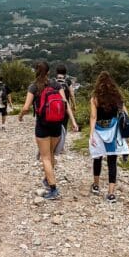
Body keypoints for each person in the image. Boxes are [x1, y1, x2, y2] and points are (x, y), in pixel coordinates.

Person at [18, 60, 78, 200]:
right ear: (49, 72)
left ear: (36, 72)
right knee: (50, 153)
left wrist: (20, 116)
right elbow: (65, 103)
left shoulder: (33, 87)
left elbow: (26, 107)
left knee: (45, 157)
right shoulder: (56, 85)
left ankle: (53, 189)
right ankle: (48, 178)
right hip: (57, 123)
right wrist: (73, 122)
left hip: (43, 124)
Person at [89, 71, 129, 202]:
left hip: (99, 130)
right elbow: (125, 114)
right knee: (112, 161)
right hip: (113, 131)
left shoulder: (95, 98)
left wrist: (91, 134)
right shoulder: (117, 98)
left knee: (97, 158)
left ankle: (96, 185)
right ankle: (111, 193)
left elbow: (93, 117)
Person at [55, 64, 76, 132]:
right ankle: (62, 138)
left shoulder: (53, 81)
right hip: (65, 107)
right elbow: (72, 94)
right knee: (64, 125)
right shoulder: (68, 82)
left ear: (57, 72)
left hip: (54, 106)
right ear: (65, 72)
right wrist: (74, 105)